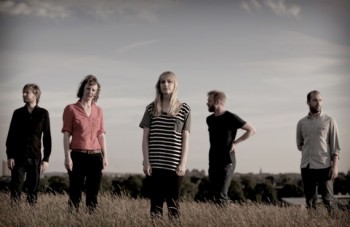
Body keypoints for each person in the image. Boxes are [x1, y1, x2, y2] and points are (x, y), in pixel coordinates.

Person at [139, 71, 191, 219]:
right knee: (155, 206)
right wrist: (146, 162)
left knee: (174, 206)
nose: (165, 84)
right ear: (158, 85)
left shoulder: (185, 109)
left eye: (169, 81)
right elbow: (145, 137)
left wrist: (183, 163)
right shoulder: (151, 108)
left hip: (174, 166)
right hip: (154, 165)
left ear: (175, 85)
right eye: (162, 82)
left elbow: (186, 138)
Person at [62, 75, 108, 212]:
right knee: (75, 192)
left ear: (96, 92)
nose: (90, 92)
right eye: (88, 88)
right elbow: (66, 135)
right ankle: (73, 219)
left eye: (94, 90)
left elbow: (101, 134)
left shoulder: (99, 111)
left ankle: (90, 220)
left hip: (95, 156)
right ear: (83, 89)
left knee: (93, 193)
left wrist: (105, 156)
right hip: (77, 155)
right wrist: (67, 156)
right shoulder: (71, 109)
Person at [206, 90, 256, 206]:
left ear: (218, 101)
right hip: (213, 160)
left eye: (209, 101)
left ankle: (228, 218)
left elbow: (252, 130)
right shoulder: (210, 120)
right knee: (215, 194)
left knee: (222, 195)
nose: (207, 103)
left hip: (227, 160)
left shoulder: (231, 117)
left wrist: (236, 142)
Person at [6, 83, 52, 205]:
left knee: (33, 191)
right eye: (23, 92)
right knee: (15, 190)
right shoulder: (17, 113)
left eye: (27, 92)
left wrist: (46, 159)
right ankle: (14, 215)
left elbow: (47, 138)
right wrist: (10, 156)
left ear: (35, 95)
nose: (24, 94)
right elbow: (11, 136)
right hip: (18, 157)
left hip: (35, 157)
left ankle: (30, 218)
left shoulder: (43, 113)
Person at [296, 90, 340, 214]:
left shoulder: (329, 121)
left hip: (324, 166)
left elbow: (335, 146)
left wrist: (335, 166)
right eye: (315, 100)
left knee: (328, 201)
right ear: (308, 102)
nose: (318, 103)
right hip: (307, 166)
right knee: (310, 202)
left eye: (320, 100)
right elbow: (300, 145)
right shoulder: (301, 123)